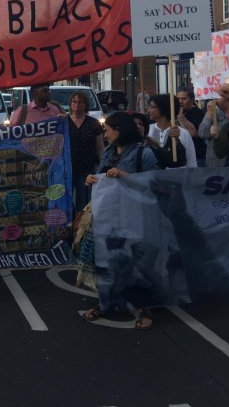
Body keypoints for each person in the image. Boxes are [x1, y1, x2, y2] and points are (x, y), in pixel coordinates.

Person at [77, 112, 160, 330]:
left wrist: (124, 175)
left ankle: (144, 308)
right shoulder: (109, 152)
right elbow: (101, 177)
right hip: (108, 216)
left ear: (119, 130)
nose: (105, 135)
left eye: (108, 130)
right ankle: (107, 302)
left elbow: (156, 184)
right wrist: (91, 179)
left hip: (135, 217)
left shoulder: (144, 153)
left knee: (137, 262)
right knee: (108, 260)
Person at [68, 91, 104, 215]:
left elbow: (100, 148)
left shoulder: (93, 123)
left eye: (80, 102)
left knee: (84, 205)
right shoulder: (64, 122)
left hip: (86, 169)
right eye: (74, 101)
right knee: (66, 202)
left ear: (86, 105)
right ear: (70, 104)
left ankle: (82, 225)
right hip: (68, 169)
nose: (77, 105)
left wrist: (102, 168)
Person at [147, 94, 197, 167]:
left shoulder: (183, 133)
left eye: (152, 107)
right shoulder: (147, 130)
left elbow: (191, 162)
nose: (148, 110)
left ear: (163, 108)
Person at [198, 94, 229, 167]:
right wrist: (209, 113)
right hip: (216, 164)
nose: (215, 98)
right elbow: (202, 133)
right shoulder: (213, 112)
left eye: (218, 95)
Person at [176, 86, 207, 166]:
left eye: (184, 99)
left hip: (197, 156)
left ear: (192, 99)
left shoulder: (198, 113)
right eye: (178, 98)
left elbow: (194, 133)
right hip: (182, 156)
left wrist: (181, 117)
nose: (180, 101)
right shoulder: (176, 112)